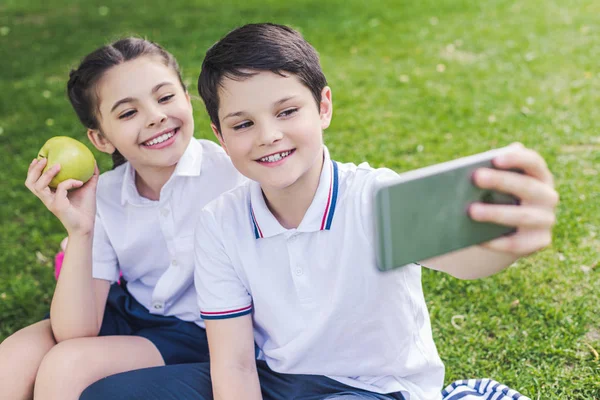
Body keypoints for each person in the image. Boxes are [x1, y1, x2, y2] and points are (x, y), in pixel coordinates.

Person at [80, 23, 558, 400]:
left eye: (287, 111)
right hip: (276, 382)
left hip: (371, 389)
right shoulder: (221, 221)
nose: (268, 135)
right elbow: (235, 364)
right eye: (243, 124)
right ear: (220, 137)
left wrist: (502, 243)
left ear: (323, 106)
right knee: (105, 393)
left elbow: (467, 260)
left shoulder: (373, 198)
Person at [0, 37, 244, 400]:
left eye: (165, 97)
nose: (156, 116)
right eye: (128, 113)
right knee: (13, 358)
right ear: (101, 138)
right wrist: (81, 230)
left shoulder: (234, 177)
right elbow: (76, 330)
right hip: (128, 310)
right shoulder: (106, 194)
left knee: (67, 366)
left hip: (200, 331)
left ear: (186, 96)